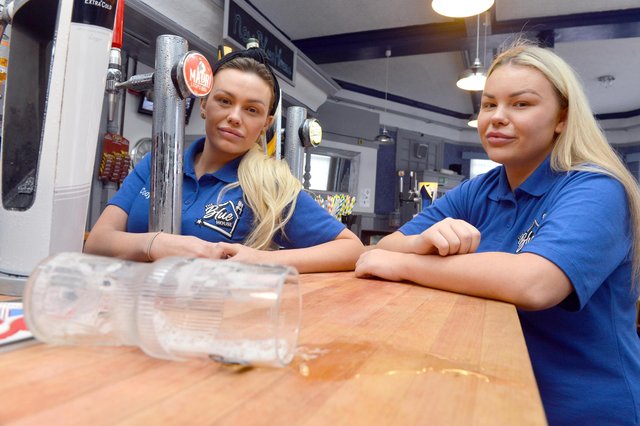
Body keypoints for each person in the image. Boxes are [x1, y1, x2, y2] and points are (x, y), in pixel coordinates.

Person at [355, 42, 640, 425]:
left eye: (520, 104)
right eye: (489, 104)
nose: (497, 117)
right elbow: (389, 245)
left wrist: (404, 265)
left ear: (562, 118)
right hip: (498, 391)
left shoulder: (596, 188)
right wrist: (420, 242)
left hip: (581, 406)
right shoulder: (483, 187)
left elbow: (534, 284)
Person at [85, 47, 363, 273]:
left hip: (209, 323)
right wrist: (156, 245)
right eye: (225, 101)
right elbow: (97, 242)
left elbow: (350, 249)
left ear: (265, 124)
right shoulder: (156, 164)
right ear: (204, 104)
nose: (235, 116)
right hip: (129, 311)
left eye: (251, 109)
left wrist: (262, 261)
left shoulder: (267, 185)